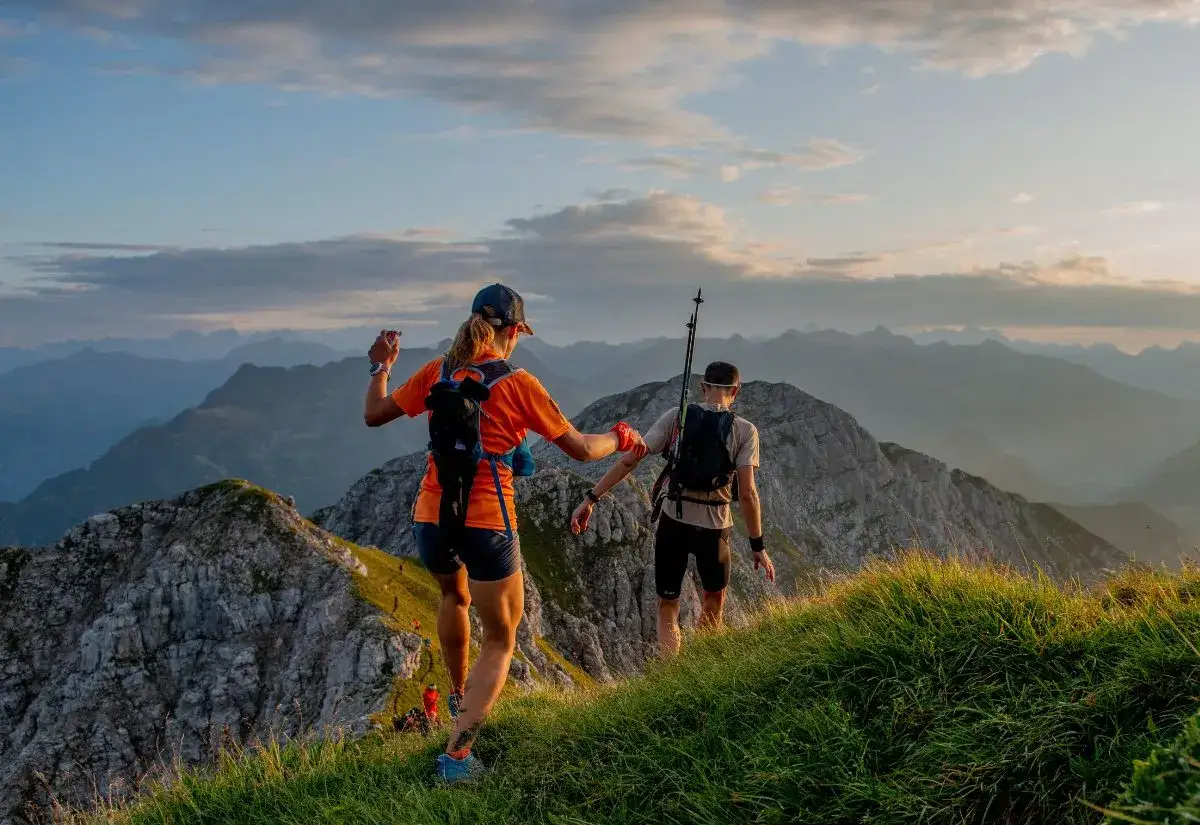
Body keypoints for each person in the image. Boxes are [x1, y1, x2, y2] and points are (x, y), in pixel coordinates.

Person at [362, 283, 648, 784]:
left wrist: (381, 366)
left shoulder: (439, 371)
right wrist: (621, 437)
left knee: (454, 596)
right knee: (503, 635)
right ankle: (456, 759)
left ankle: (459, 698)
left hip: (430, 513)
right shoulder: (518, 383)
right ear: (512, 332)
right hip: (488, 519)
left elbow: (374, 414)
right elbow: (580, 448)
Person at [569, 361, 775, 657]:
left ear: (703, 388)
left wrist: (591, 498)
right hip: (715, 527)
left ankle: (672, 670)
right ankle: (701, 667)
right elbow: (748, 494)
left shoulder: (677, 418)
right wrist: (758, 546)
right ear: (736, 391)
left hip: (673, 523)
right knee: (714, 599)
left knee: (668, 605)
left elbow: (630, 460)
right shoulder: (745, 431)